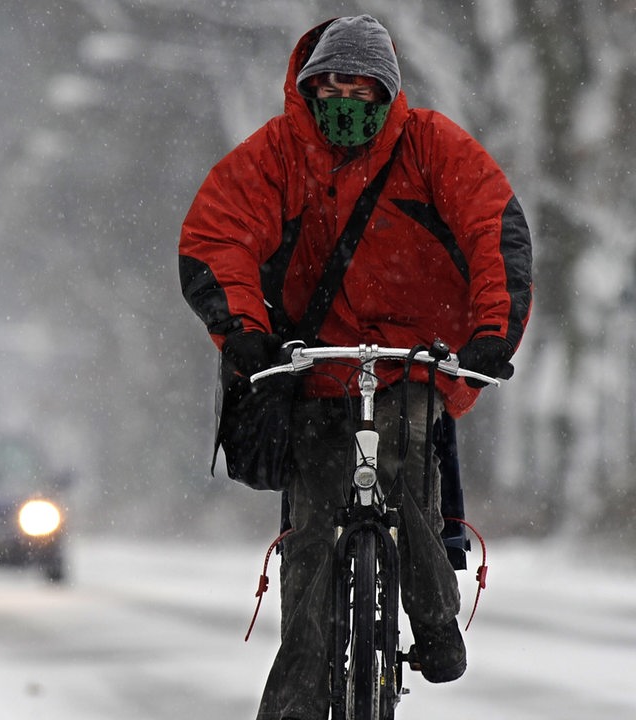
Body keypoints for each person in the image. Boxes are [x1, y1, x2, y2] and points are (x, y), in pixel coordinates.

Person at [177, 15, 532, 720]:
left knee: (412, 486)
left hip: (415, 364)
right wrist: (245, 331)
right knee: (309, 539)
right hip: (315, 368)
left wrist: (492, 335)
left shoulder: (433, 147)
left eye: (359, 84)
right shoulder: (277, 155)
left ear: (386, 90)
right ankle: (300, 702)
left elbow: (494, 232)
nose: (344, 96)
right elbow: (220, 237)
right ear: (308, 87)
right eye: (330, 82)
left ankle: (435, 624)